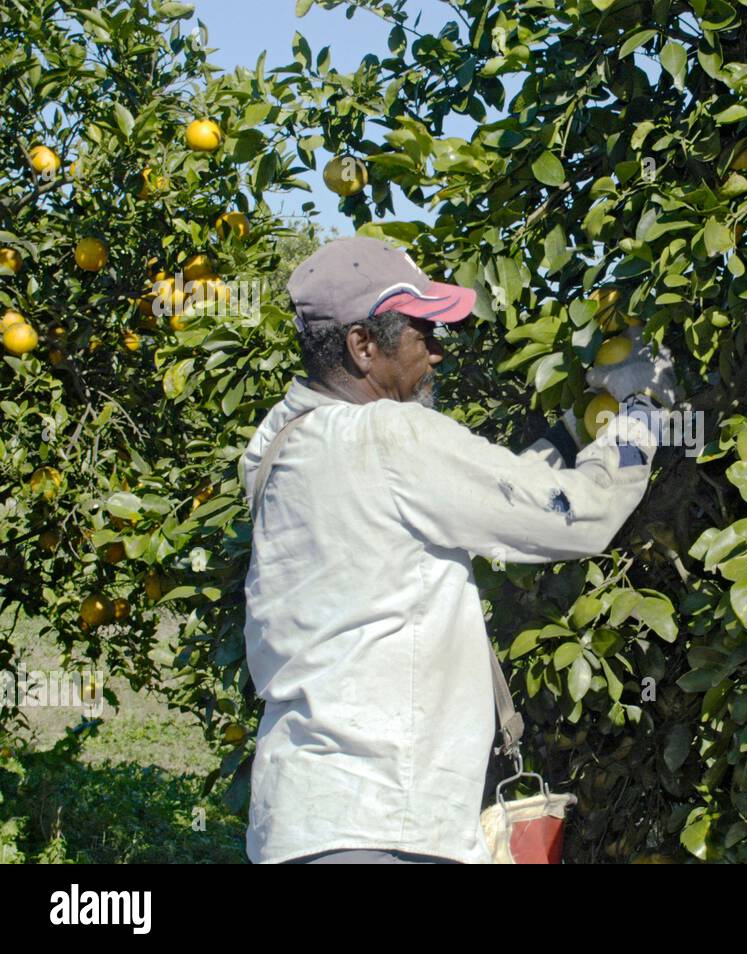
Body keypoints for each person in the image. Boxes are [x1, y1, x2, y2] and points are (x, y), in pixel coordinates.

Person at [239, 236, 677, 864]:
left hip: (303, 819)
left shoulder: (279, 442)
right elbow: (580, 514)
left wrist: (576, 423)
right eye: (422, 332)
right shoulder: (391, 436)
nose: (439, 353)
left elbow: (476, 497)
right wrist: (639, 410)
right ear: (363, 346)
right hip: (383, 826)